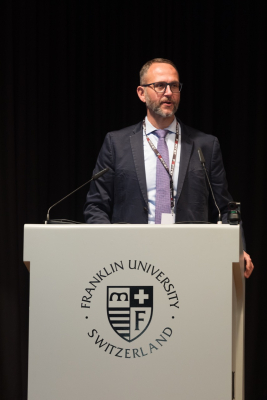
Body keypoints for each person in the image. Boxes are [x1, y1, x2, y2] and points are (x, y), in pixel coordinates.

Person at [84, 58, 254, 278]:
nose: (169, 92)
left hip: (190, 261)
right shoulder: (117, 144)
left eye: (174, 86)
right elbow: (96, 206)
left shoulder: (205, 145)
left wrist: (236, 248)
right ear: (141, 93)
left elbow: (224, 207)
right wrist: (110, 249)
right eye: (160, 85)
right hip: (130, 262)